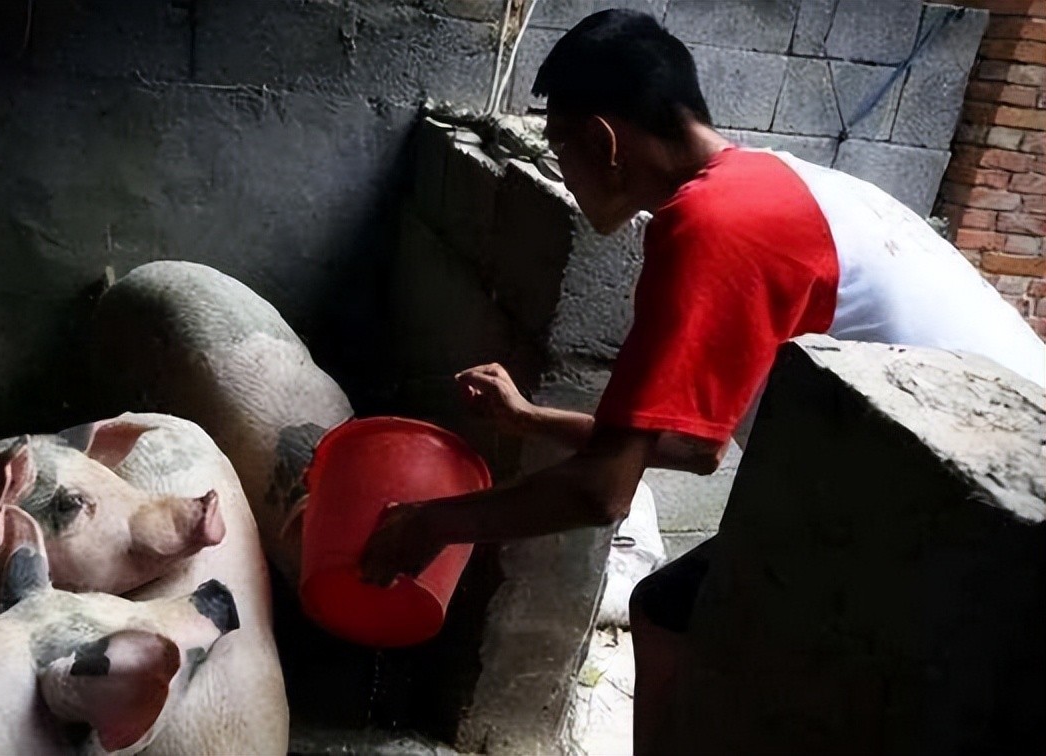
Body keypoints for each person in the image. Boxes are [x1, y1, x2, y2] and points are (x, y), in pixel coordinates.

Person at [360, 8, 1046, 755]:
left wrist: (428, 525)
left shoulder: (713, 223)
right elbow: (693, 449)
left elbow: (600, 493)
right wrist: (530, 419)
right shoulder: (769, 182)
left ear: (603, 142)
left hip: (987, 527)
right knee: (672, 609)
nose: (564, 172)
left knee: (748, 650)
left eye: (560, 149)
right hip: (946, 486)